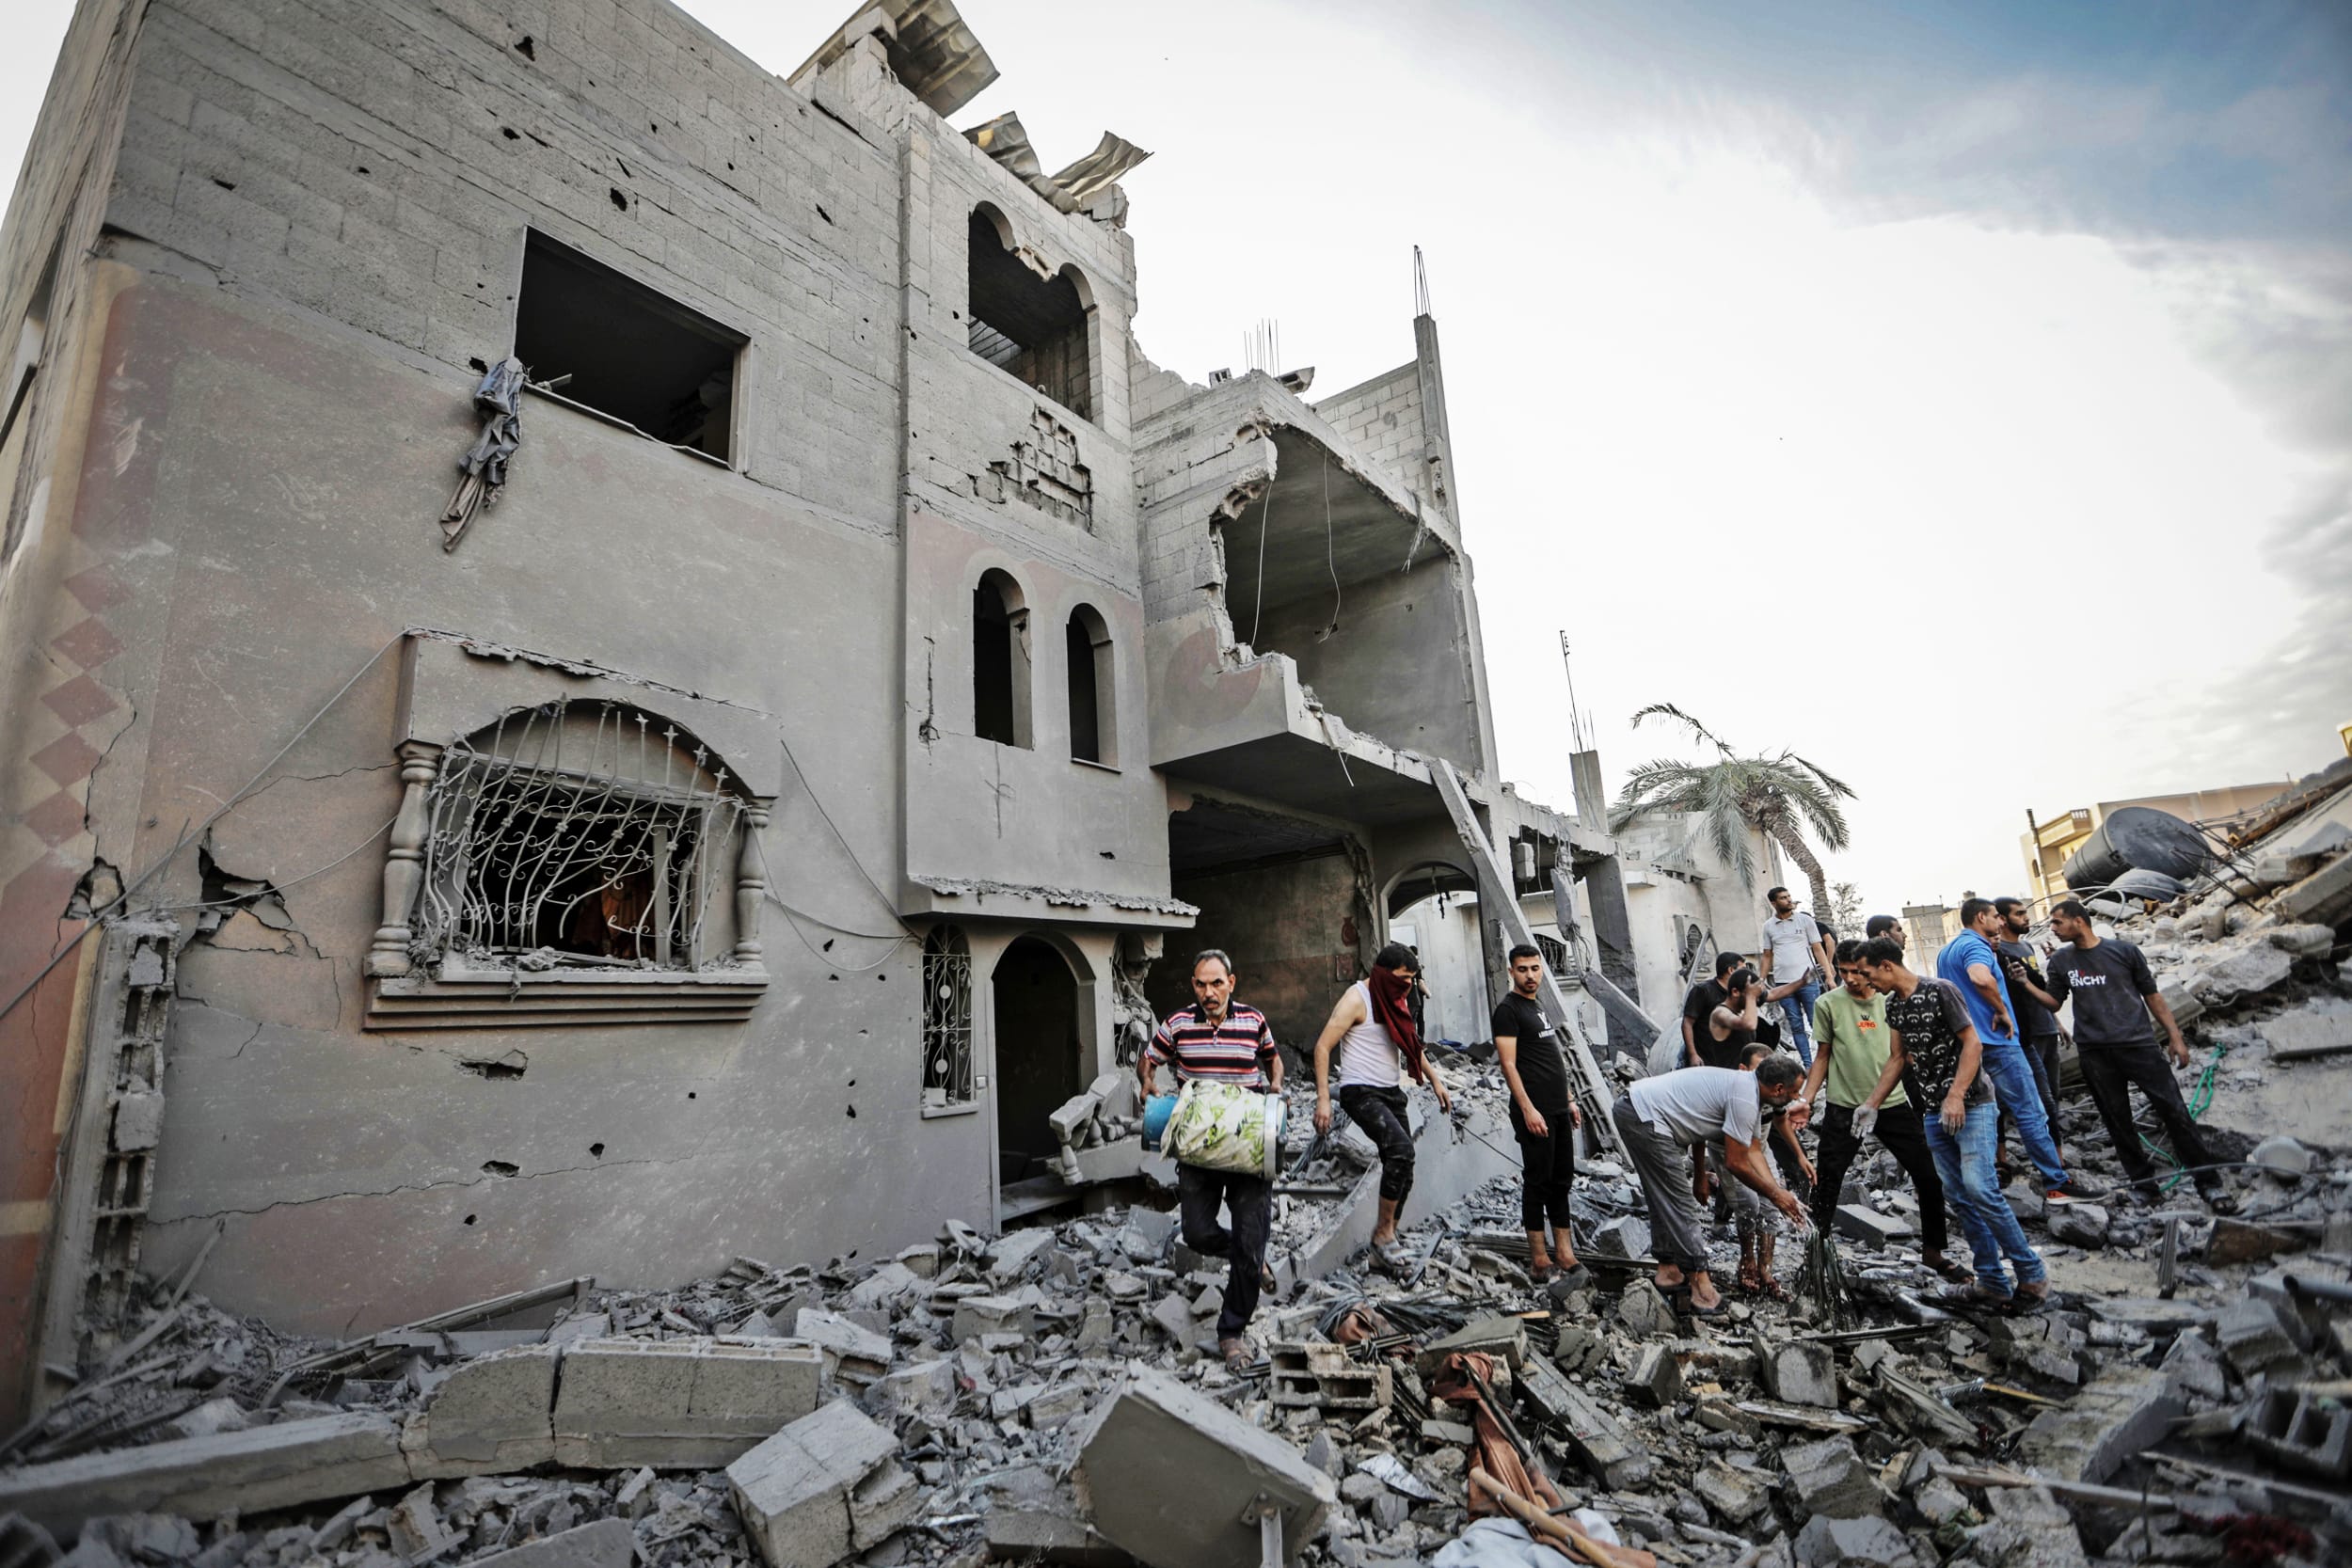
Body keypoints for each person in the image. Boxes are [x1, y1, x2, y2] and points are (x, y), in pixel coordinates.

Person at [1855, 938, 2048, 1307]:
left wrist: (1956, 1095)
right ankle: (1991, 1280)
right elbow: (1898, 1058)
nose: (1866, 982)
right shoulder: (1893, 1005)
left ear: (1886, 966)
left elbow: (1973, 1044)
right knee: (1960, 1196)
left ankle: (2032, 1274)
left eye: (1867, 973)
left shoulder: (1940, 991)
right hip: (1933, 1113)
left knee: (1980, 1187)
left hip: (1971, 1104)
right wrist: (1872, 1104)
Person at [2043, 900, 2239, 1214]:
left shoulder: (2124, 952)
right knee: (2117, 1122)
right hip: (2095, 1053)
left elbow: (2152, 995)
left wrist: (2175, 1037)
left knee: (2175, 1112)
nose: (2053, 929)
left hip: (2139, 1046)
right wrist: (2025, 984)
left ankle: (2209, 1184)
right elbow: (2053, 1001)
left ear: (2079, 921)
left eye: (2057, 922)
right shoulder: (2061, 961)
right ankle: (2144, 1188)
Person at [1793, 940, 1969, 1282]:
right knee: (1828, 1179)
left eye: (1856, 972)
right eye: (1842, 972)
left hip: (1891, 1103)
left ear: (1870, 968)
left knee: (1928, 1175)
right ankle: (1817, 1254)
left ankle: (1934, 1252)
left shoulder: (1891, 1000)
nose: (1850, 979)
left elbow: (1903, 1054)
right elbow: (1823, 1055)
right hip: (1844, 1106)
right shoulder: (1828, 1004)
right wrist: (1807, 1098)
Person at [1142, 949, 1281, 1368]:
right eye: (1201, 984)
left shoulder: (1253, 1021)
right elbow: (1148, 1059)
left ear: (1231, 983)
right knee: (1199, 1233)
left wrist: (1275, 1088)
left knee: (1251, 1236)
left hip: (1249, 1145)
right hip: (1199, 1148)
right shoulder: (1178, 1024)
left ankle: (1232, 1332)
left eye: (1217, 983)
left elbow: (1273, 1061)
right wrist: (1147, 1083)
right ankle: (1249, 1261)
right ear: (1194, 986)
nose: (1209, 992)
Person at [1611, 1057, 1810, 1315]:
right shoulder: (1744, 1099)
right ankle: (1702, 1289)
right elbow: (1736, 1162)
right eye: (1794, 1093)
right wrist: (1774, 1194)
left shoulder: (1748, 1091)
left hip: (1637, 1108)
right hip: (1645, 1116)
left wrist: (1779, 1194)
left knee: (1663, 1196)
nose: (1796, 1099)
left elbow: (1754, 1150)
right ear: (1779, 1089)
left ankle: (1668, 1271)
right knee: (1680, 1203)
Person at [1935, 899, 2096, 1203]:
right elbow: (1980, 977)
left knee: (1982, 1115)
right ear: (1980, 917)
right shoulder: (1976, 946)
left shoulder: (1946, 952)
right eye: (1996, 917)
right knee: (2031, 1112)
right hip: (1997, 1043)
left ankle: (1979, 1188)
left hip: (1968, 1047)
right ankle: (2057, 1182)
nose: (2000, 923)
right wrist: (2001, 1009)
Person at [1311, 943, 1454, 1272]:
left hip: (1390, 1091)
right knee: (1401, 1150)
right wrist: (1322, 1098)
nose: (1407, 985)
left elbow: (1410, 1043)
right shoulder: (1356, 998)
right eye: (1403, 979)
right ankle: (1383, 1236)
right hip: (1360, 1091)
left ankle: (1384, 1242)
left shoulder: (1394, 998)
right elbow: (1322, 1047)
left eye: (1412, 980)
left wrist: (1436, 1081)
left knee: (1405, 1165)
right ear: (1383, 974)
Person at [1491, 944, 1582, 1283]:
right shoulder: (1508, 1011)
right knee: (1538, 1181)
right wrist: (1528, 1109)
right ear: (1511, 972)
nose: (1530, 975)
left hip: (1558, 1108)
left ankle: (1565, 1251)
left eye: (1534, 968)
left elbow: (1552, 1057)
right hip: (1535, 1112)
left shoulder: (1538, 1005)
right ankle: (1539, 1259)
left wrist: (1570, 1099)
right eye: (1523, 969)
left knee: (1562, 1180)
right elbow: (1509, 1064)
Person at [1717, 1041, 1814, 1296]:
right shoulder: (1742, 1091)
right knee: (1748, 1203)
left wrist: (1799, 1156)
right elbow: (1737, 1156)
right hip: (1729, 1146)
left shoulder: (1775, 1092)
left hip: (1758, 1145)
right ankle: (1747, 1262)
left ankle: (1765, 1270)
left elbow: (1777, 1122)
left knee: (1772, 1205)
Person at [1994, 896, 2064, 1132]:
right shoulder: (2000, 952)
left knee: (2052, 1090)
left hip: (2047, 1026)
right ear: (2002, 920)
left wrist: (2058, 1023)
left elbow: (2039, 991)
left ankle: (2052, 1135)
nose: (2026, 918)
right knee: (2036, 1093)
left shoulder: (2026, 947)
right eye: (2019, 913)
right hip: (2028, 1033)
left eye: (2026, 912)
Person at [1760, 887, 1834, 1069]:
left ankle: (1826, 1064)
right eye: (1783, 898)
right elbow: (1767, 955)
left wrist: (1829, 976)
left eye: (1789, 896)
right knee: (1796, 1025)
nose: (1788, 900)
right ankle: (1809, 1066)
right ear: (1774, 903)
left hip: (1808, 980)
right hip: (1783, 983)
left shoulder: (1805, 920)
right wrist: (1761, 980)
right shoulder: (1768, 926)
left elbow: (1818, 949)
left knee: (1817, 1023)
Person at [1680, 951, 1745, 1068]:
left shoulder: (1736, 993)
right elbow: (1687, 1023)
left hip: (1730, 1061)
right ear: (1731, 970)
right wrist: (1693, 1054)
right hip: (1707, 1060)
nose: (1746, 975)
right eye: (1743, 970)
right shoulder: (1703, 991)